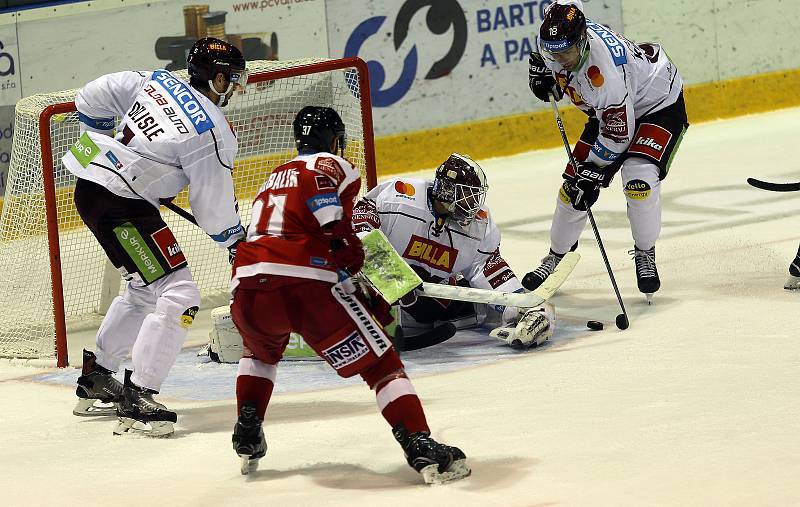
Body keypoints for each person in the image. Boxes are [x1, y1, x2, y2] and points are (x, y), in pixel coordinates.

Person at [227, 106, 470, 483]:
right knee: (382, 365)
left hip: (247, 286)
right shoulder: (331, 164)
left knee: (259, 354)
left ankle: (248, 425)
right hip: (302, 285)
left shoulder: (271, 177)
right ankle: (418, 444)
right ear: (335, 141)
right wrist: (349, 255)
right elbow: (328, 216)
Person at [63, 37, 248, 436]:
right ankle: (140, 395)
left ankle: (98, 375)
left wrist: (101, 145)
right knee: (180, 294)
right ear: (217, 79)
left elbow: (90, 96)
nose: (235, 88)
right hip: (123, 206)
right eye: (232, 80)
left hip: (90, 188)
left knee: (144, 289)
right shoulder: (212, 130)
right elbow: (212, 206)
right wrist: (234, 242)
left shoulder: (154, 81)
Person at [524, 0, 689, 301]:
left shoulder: (605, 75)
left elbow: (618, 135)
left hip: (657, 106)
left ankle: (645, 252)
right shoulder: (560, 37)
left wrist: (594, 171)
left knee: (639, 178)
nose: (559, 59)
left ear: (583, 40)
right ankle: (556, 257)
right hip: (608, 114)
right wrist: (544, 77)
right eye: (553, 53)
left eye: (565, 53)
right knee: (572, 188)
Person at [351, 153, 555, 351]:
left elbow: (489, 269)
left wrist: (523, 306)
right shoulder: (400, 196)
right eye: (467, 195)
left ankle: (473, 309)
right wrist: (392, 275)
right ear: (447, 191)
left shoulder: (479, 226)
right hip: (380, 294)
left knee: (432, 308)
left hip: (430, 305)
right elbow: (358, 227)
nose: (474, 203)